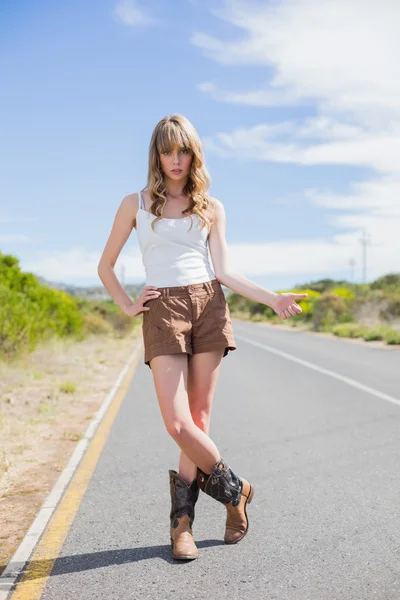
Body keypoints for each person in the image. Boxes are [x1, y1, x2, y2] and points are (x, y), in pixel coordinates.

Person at [97, 114, 308, 561]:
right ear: (156, 154)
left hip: (208, 303)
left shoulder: (210, 206)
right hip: (163, 310)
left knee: (199, 416)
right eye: (168, 151)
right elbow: (106, 265)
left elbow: (225, 271)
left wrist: (271, 298)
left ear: (194, 154)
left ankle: (182, 528)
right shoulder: (134, 203)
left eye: (184, 150)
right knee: (177, 424)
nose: (176, 159)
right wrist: (128, 304)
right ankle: (236, 491)